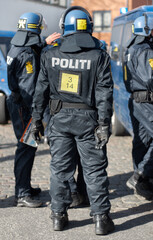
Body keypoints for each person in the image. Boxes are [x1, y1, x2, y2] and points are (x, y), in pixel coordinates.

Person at [31, 6, 115, 235]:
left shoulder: (50, 54)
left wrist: (37, 120)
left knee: (60, 170)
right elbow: (105, 93)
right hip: (89, 119)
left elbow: (41, 91)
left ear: (63, 27)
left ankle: (59, 216)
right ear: (89, 26)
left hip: (59, 119)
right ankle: (101, 219)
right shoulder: (99, 55)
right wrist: (104, 123)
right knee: (95, 170)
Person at [7, 12, 61, 208]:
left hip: (17, 103)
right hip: (25, 107)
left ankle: (25, 187)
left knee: (27, 147)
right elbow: (30, 90)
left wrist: (44, 43)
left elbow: (29, 50)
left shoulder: (17, 46)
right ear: (34, 28)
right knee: (26, 147)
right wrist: (40, 116)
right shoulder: (27, 55)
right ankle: (22, 193)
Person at [123, 14, 153, 200]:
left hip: (136, 100)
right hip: (146, 102)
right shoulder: (145, 50)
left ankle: (143, 182)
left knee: (141, 141)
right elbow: (151, 77)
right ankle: (140, 175)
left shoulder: (131, 48)